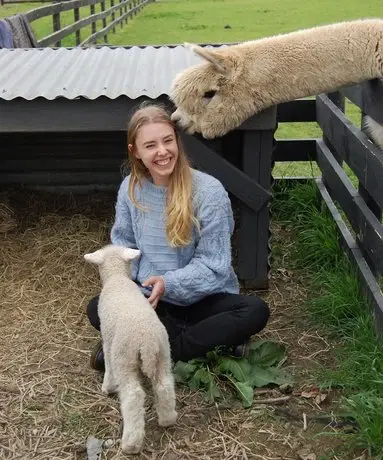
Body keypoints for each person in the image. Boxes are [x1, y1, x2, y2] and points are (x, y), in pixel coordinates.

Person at [86, 102, 270, 371]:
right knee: (96, 307)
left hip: (204, 298)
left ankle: (154, 350)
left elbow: (214, 264)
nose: (162, 152)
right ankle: (205, 342)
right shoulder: (130, 189)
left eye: (167, 141)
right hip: (152, 298)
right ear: (135, 152)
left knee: (254, 311)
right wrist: (132, 289)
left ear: (177, 142)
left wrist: (168, 282)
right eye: (150, 146)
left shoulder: (209, 192)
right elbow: (123, 245)